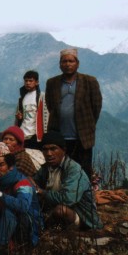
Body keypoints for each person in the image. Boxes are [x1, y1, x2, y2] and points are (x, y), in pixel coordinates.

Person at [45, 48, 102, 178]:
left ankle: (85, 197)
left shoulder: (90, 81)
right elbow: (51, 106)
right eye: (64, 61)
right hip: (60, 137)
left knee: (84, 170)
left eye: (71, 61)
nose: (68, 64)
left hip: (82, 137)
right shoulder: (52, 83)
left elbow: (96, 106)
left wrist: (89, 125)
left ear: (77, 63)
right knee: (61, 170)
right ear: (60, 64)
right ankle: (64, 196)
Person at [33, 131, 103, 230]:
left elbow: (67, 199)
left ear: (63, 150)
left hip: (82, 217)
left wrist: (42, 192)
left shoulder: (73, 170)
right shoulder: (46, 168)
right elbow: (35, 182)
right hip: (54, 209)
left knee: (61, 210)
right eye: (45, 149)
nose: (49, 153)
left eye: (53, 149)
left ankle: (46, 225)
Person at [15, 70, 48, 150]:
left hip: (35, 136)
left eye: (31, 81)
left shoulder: (42, 97)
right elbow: (19, 117)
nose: (28, 83)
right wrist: (18, 118)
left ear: (37, 82)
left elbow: (46, 116)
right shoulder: (22, 98)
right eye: (26, 81)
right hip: (23, 135)